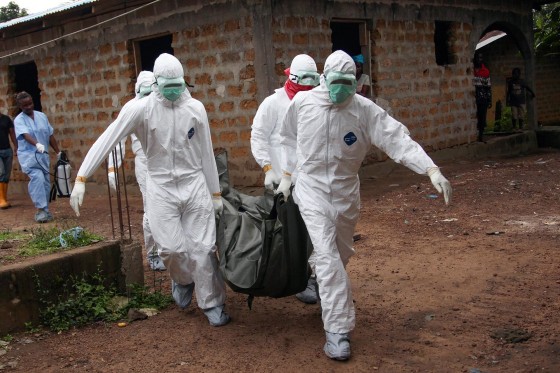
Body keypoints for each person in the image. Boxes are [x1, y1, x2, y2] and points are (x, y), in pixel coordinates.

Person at [277, 50, 452, 361]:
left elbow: (396, 138)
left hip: (346, 193)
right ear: (323, 79)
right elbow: (286, 137)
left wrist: (430, 169)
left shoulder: (364, 111)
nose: (342, 89)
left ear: (356, 82)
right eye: (336, 82)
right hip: (312, 190)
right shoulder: (303, 104)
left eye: (348, 83)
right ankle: (338, 331)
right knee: (330, 257)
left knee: (339, 256)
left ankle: (319, 281)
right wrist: (287, 174)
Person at [69, 53, 230, 327]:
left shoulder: (195, 108)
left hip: (193, 184)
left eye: (178, 85)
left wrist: (215, 193)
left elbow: (206, 153)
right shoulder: (140, 109)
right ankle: (182, 279)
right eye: (168, 86)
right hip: (160, 187)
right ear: (156, 83)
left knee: (203, 249)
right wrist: (81, 177)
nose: (174, 91)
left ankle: (213, 303)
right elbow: (108, 138)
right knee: (170, 248)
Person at [250, 53, 320, 304]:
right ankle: (293, 278)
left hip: (309, 179)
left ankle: (311, 278)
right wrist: (268, 169)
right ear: (291, 78)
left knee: (313, 232)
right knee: (287, 233)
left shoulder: (315, 101)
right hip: (281, 182)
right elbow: (258, 136)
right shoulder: (273, 103)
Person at [107, 71, 166, 271]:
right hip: (145, 164)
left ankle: (170, 249)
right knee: (151, 209)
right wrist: (112, 168)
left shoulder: (163, 105)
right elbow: (117, 140)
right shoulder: (132, 108)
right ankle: (153, 253)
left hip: (165, 163)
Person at [14, 92, 62, 223]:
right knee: (38, 179)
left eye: (30, 103)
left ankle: (45, 210)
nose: (28, 107)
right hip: (29, 156)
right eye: (25, 105)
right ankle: (40, 210)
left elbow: (50, 135)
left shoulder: (42, 116)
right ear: (20, 106)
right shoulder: (19, 120)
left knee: (46, 183)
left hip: (43, 157)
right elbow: (24, 135)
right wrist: (37, 144)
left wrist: (58, 152)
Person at [472, 52, 492, 142]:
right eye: (477, 58)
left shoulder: (486, 71)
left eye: (480, 58)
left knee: (482, 116)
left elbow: (488, 86)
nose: (479, 60)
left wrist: (489, 99)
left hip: (482, 97)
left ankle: (481, 135)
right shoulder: (471, 70)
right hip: (472, 97)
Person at [0, 111, 17, 209]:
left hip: (7, 150)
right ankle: (1, 199)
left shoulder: (6, 119)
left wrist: (16, 146)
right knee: (1, 172)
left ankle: (4, 198)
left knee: (6, 175)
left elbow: (12, 133)